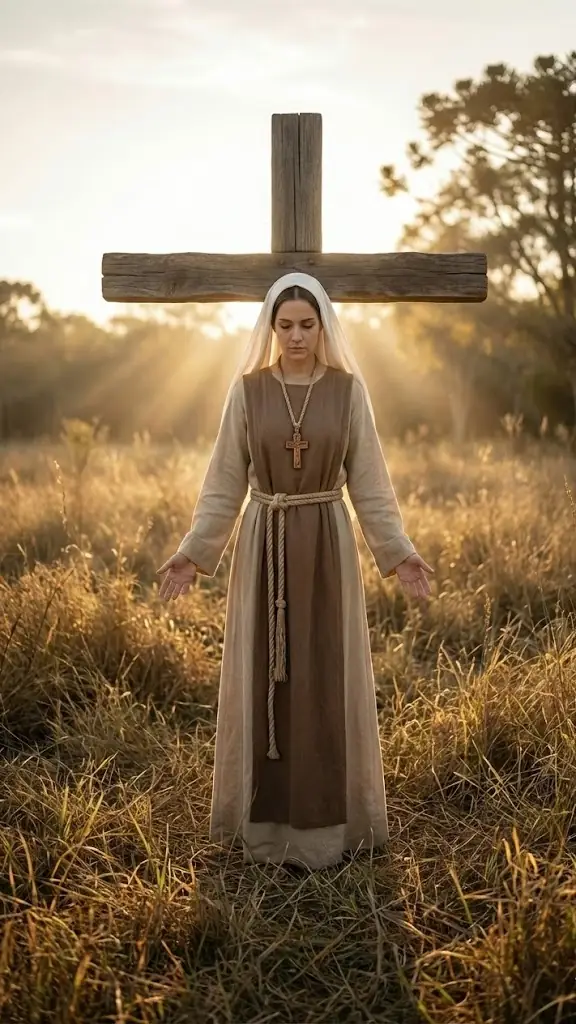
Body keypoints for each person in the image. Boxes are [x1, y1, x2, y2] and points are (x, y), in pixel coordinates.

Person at [156, 271, 434, 870]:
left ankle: (331, 833)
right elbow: (224, 482)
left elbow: (371, 482)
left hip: (327, 543)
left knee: (324, 675)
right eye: (285, 325)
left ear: (324, 324)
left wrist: (398, 550)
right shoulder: (249, 391)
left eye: (308, 324)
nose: (297, 336)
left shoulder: (348, 390)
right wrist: (194, 549)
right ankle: (264, 831)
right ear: (271, 327)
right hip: (266, 542)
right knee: (266, 678)